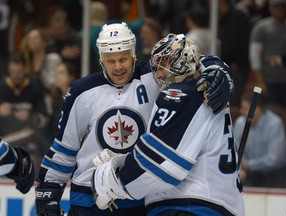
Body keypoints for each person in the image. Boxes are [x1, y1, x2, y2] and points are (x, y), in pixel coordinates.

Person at [35, 22, 235, 216]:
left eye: (123, 59)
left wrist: (217, 69)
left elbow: (188, 56)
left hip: (138, 198)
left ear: (134, 54)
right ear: (101, 59)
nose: (118, 67)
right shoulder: (81, 91)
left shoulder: (156, 76)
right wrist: (49, 189)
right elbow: (64, 149)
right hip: (88, 198)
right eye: (111, 61)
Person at [91, 33, 244, 216]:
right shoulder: (209, 87)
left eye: (164, 65)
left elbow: (160, 167)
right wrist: (125, 161)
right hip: (218, 204)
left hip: (189, 206)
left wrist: (109, 180)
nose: (159, 74)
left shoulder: (182, 94)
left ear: (182, 63)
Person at [234, 92, 286, 188]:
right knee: (236, 180)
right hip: (249, 172)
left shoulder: (274, 124)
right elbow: (235, 149)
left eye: (245, 108)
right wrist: (240, 167)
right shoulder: (239, 123)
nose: (241, 111)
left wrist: (249, 164)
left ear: (256, 109)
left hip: (274, 172)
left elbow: (274, 159)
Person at [249, 0, 286, 108]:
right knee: (271, 111)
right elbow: (254, 55)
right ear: (270, 8)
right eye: (277, 7)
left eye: (283, 7)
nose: (280, 9)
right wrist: (259, 80)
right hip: (269, 80)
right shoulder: (261, 27)